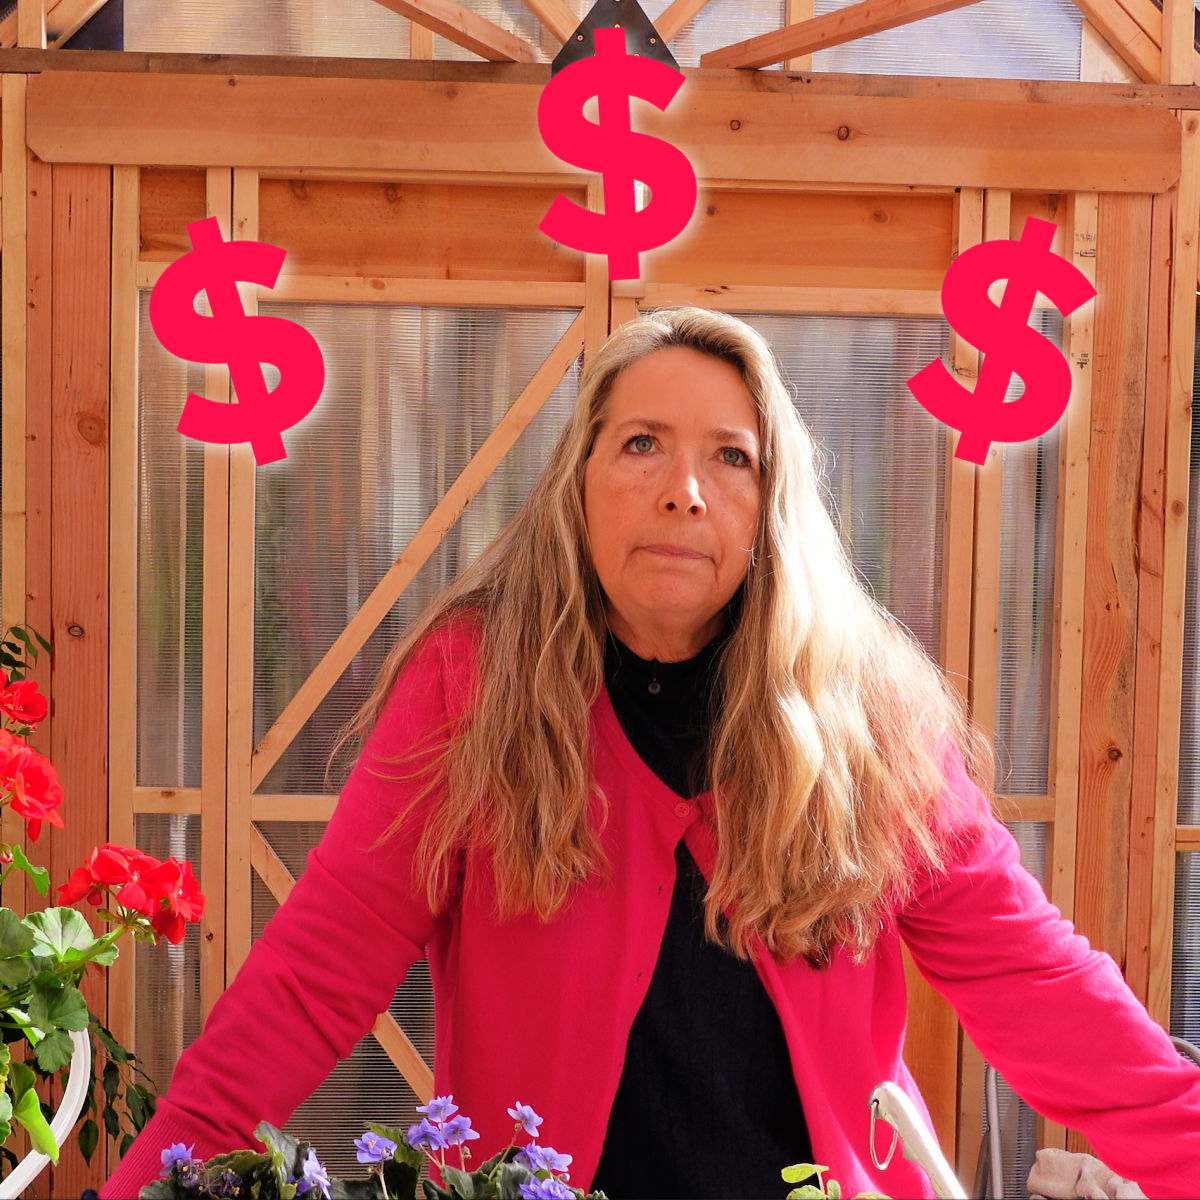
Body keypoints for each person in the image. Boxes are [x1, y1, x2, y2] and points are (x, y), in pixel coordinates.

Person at [102, 308, 1200, 1200]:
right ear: (576, 481)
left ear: (772, 508)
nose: (686, 488)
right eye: (643, 445)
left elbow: (1040, 986)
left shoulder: (870, 718)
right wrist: (149, 1185)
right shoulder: (468, 687)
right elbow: (309, 984)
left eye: (732, 457)